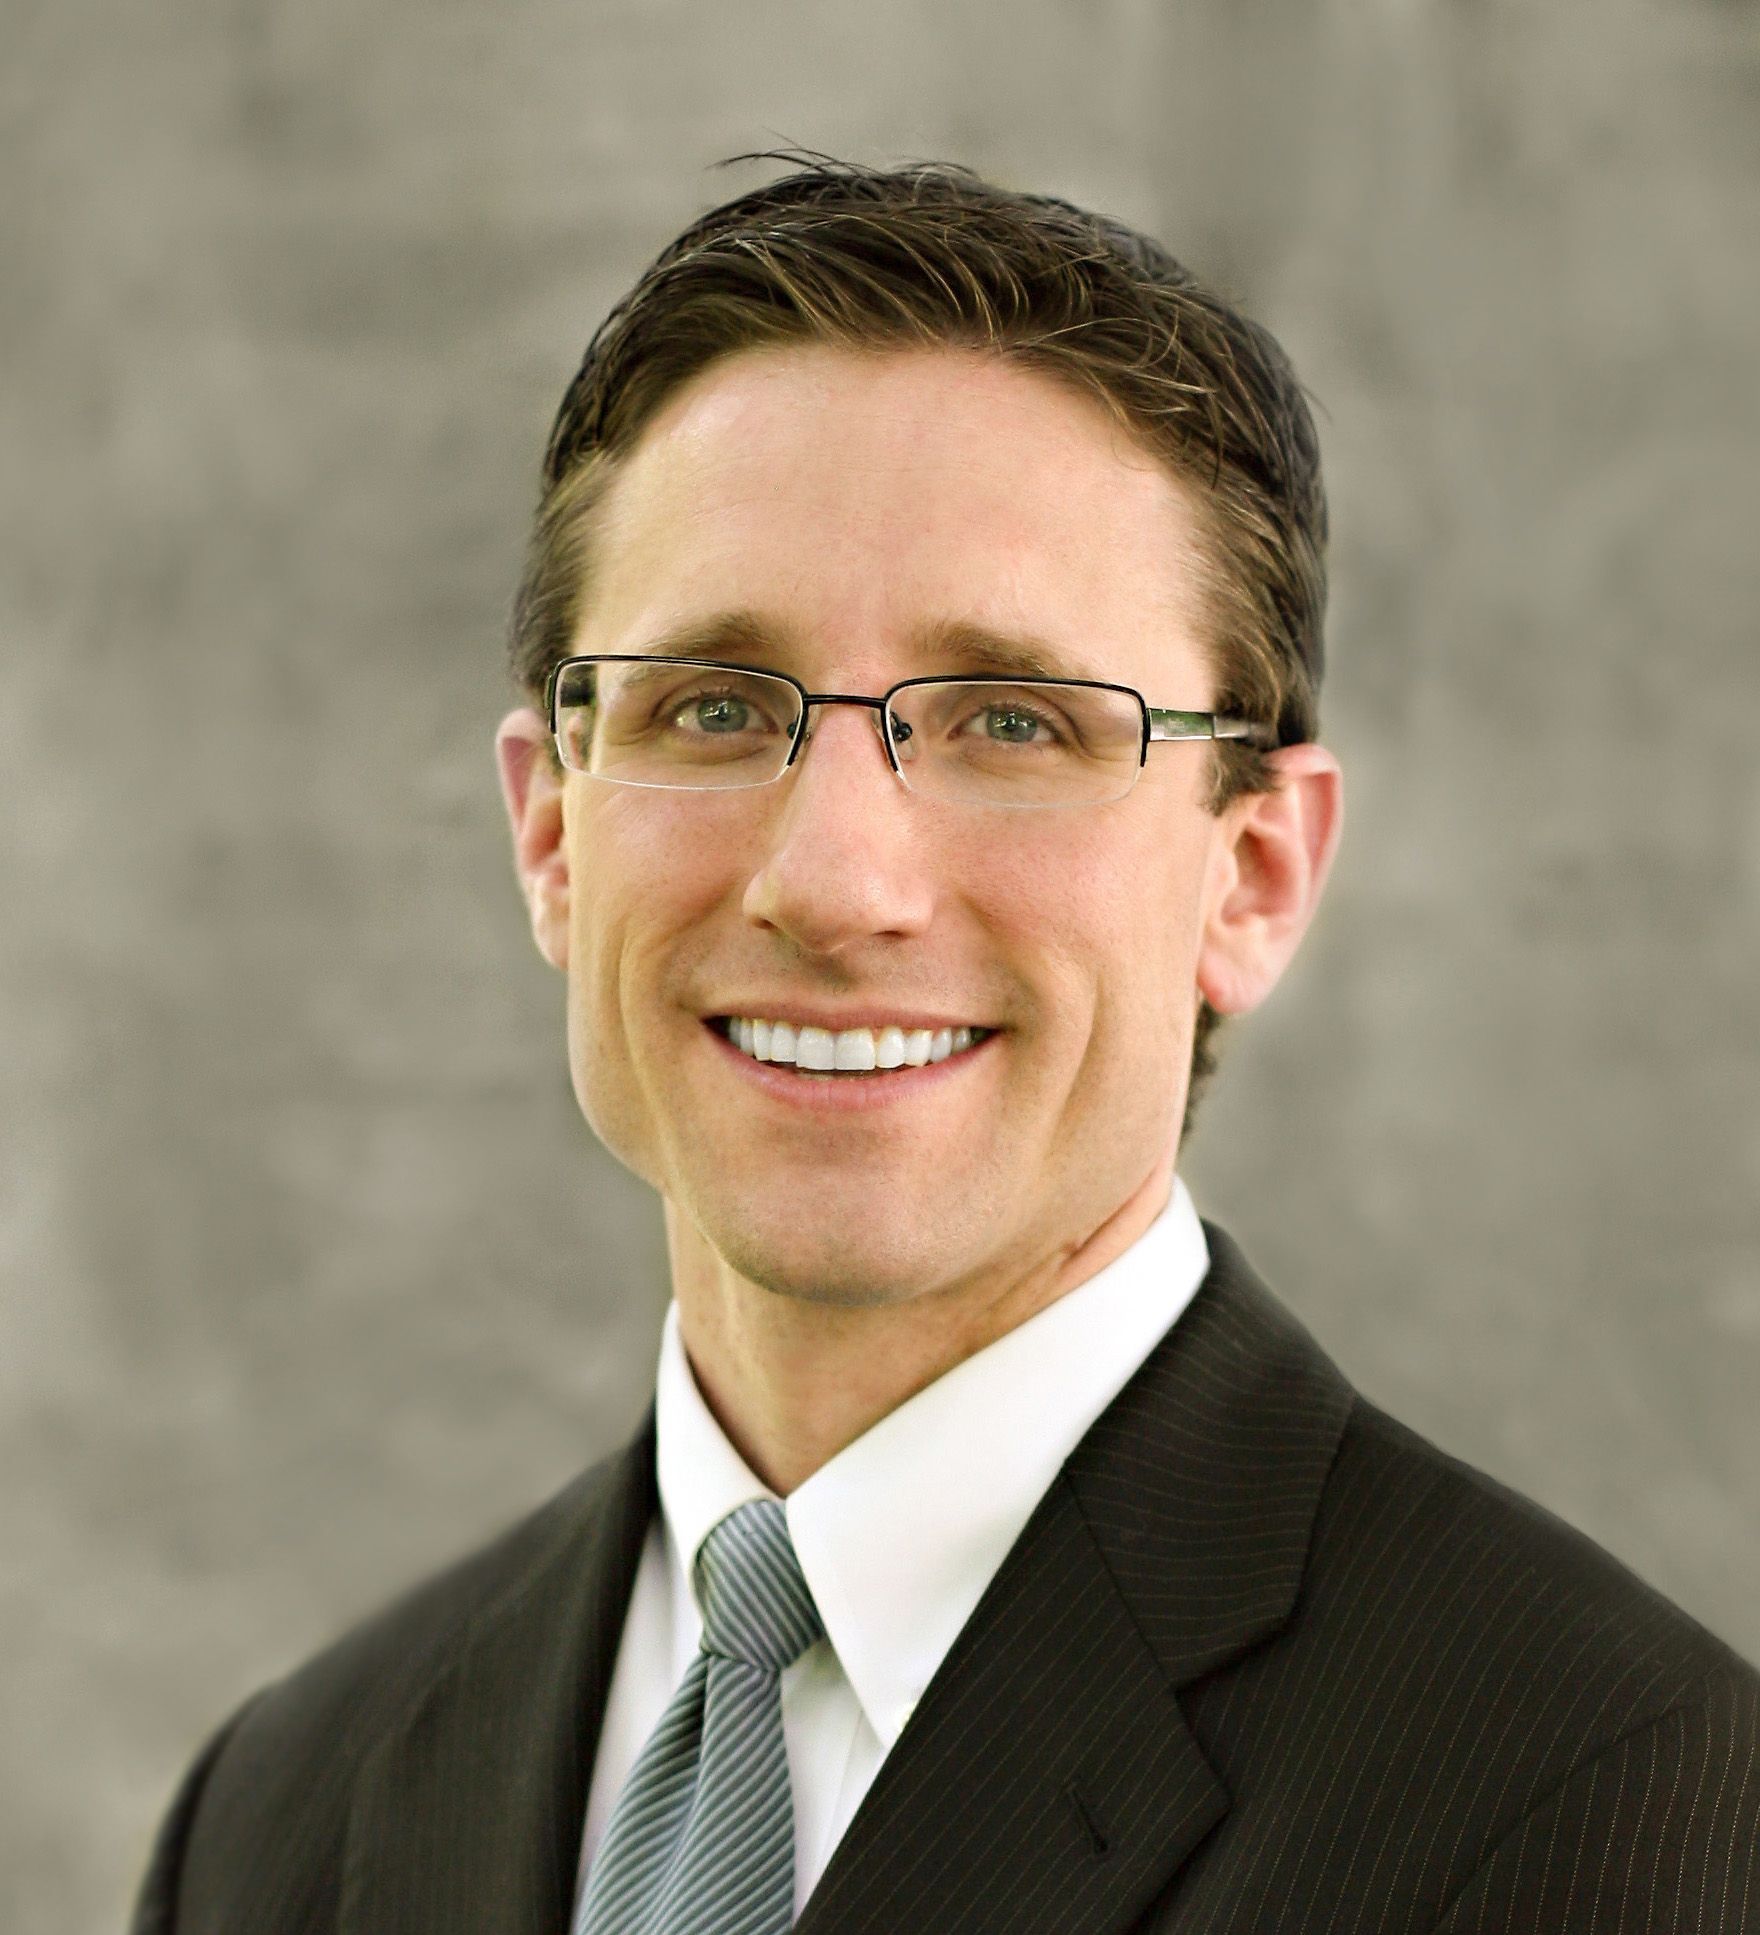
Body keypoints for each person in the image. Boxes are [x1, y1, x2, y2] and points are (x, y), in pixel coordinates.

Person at [132, 154, 1757, 1935]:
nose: (835, 885)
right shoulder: (281, 1820)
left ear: (1252, 877)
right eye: (714, 708)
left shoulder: (1620, 1809)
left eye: (1014, 722)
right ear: (550, 838)